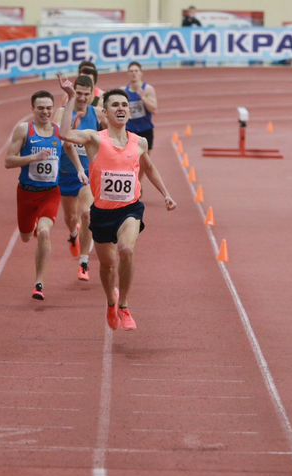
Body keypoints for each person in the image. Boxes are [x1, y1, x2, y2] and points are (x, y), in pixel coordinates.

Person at [58, 76, 176, 331]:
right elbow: (65, 134)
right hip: (102, 212)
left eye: (124, 104)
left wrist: (165, 193)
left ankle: (123, 305)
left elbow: (151, 168)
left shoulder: (139, 142)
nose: (121, 108)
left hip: (130, 209)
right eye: (115, 105)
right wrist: (69, 99)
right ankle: (111, 302)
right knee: (108, 267)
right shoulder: (94, 139)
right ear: (105, 112)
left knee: (126, 250)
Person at [4, 90, 83, 300]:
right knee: (26, 236)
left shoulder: (58, 131)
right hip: (27, 194)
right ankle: (36, 229)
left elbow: (70, 147)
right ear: (33, 109)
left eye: (49, 108)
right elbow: (8, 161)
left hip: (51, 193)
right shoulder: (24, 130)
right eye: (40, 108)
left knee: (45, 232)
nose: (45, 112)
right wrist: (33, 157)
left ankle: (39, 283)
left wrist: (80, 170)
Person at [53, 75, 103, 281]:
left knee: (86, 214)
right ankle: (73, 235)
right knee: (71, 219)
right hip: (66, 174)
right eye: (78, 93)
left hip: (87, 176)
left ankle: (84, 261)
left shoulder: (99, 114)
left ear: (93, 95)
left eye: (86, 94)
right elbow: (61, 138)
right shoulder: (62, 113)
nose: (82, 98)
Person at [124, 62, 157, 153]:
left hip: (145, 129)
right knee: (131, 159)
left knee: (146, 161)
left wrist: (143, 98)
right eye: (131, 71)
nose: (134, 73)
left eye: (136, 71)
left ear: (141, 73)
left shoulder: (148, 89)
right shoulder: (124, 91)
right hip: (130, 131)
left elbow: (153, 109)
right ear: (128, 74)